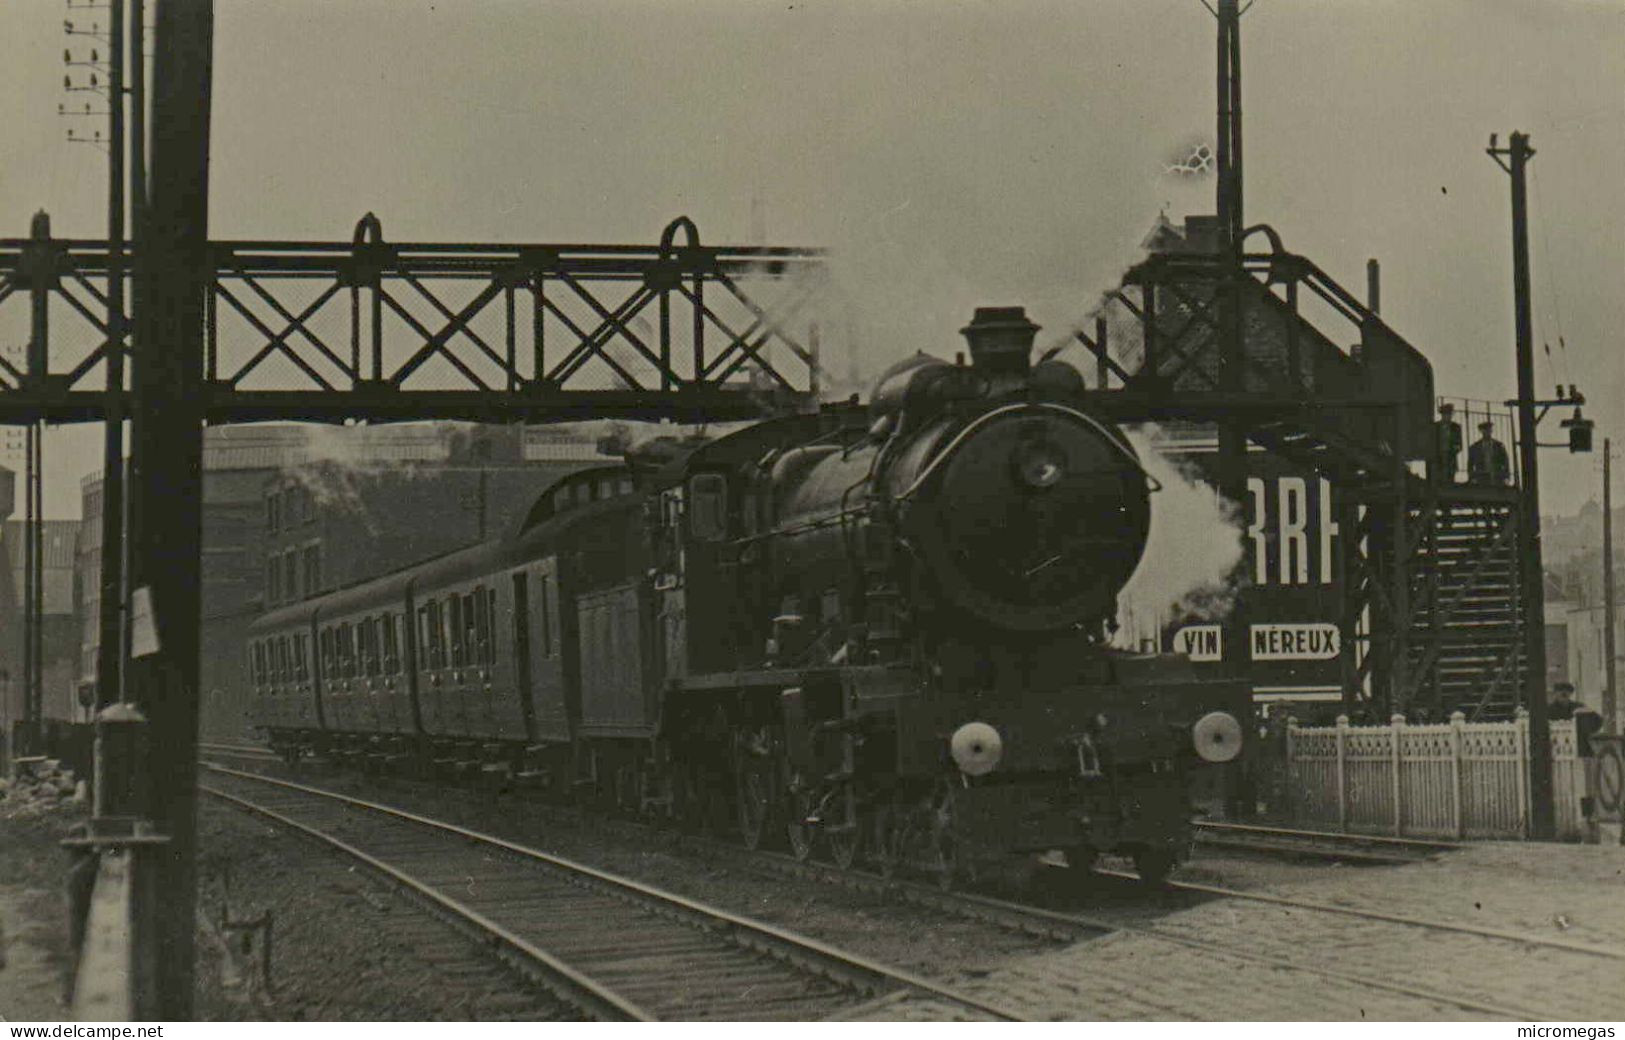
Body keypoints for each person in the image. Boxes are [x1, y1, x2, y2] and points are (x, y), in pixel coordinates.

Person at [1468, 420, 1512, 486]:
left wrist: (1506, 477)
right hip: (1481, 477)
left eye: (1489, 429)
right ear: (1481, 431)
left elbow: (1505, 461)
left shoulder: (1499, 445)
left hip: (1497, 476)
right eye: (1485, 430)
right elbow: (1470, 464)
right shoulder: (1475, 447)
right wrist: (1472, 477)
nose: (1487, 432)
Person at [1434, 403, 1463, 484]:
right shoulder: (1435, 427)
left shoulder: (1456, 427)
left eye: (1450, 414)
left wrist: (1453, 451)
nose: (1448, 416)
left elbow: (1459, 445)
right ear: (1442, 415)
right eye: (1446, 414)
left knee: (1450, 481)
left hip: (1450, 458)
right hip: (1438, 458)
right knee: (1437, 481)